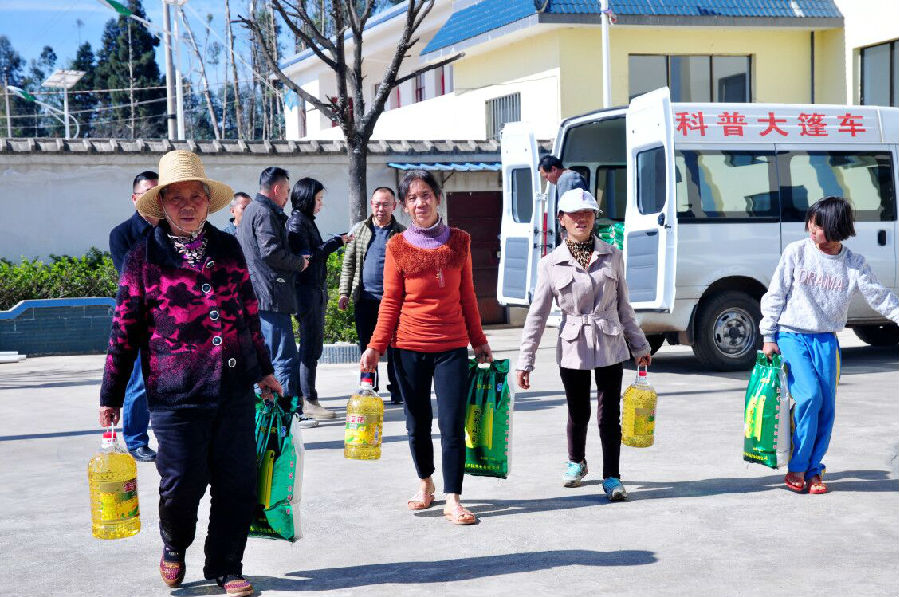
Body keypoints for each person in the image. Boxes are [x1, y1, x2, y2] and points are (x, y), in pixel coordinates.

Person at [99, 150, 279, 596]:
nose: (187, 205)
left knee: (237, 483)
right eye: (176, 198)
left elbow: (248, 315)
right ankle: (174, 546)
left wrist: (264, 370)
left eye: (195, 197)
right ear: (162, 204)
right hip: (176, 392)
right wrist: (111, 395)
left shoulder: (228, 249)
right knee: (181, 485)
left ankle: (226, 565)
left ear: (206, 202)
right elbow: (124, 329)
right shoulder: (143, 257)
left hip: (233, 387)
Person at [361, 170, 493, 526]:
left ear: (437, 198)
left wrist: (479, 340)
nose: (420, 203)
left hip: (452, 346)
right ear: (404, 207)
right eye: (412, 198)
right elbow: (390, 301)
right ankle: (425, 482)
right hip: (408, 347)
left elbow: (468, 296)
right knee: (417, 422)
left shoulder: (460, 242)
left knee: (452, 423)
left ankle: (453, 498)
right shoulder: (397, 246)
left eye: (426, 195)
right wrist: (375, 346)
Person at [516, 188, 651, 502]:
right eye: (574, 214)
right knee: (578, 412)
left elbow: (624, 306)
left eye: (587, 213)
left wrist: (640, 346)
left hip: (610, 342)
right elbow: (537, 314)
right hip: (572, 344)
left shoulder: (612, 255)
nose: (581, 219)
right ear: (562, 219)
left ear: (594, 218)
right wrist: (526, 360)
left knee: (609, 415)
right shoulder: (551, 263)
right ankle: (576, 461)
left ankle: (612, 477)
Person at [760, 196, 899, 495]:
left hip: (826, 340)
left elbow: (880, 297)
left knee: (826, 407)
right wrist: (768, 335)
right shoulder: (796, 252)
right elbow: (776, 293)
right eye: (811, 222)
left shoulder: (854, 264)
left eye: (819, 225)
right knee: (809, 396)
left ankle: (814, 470)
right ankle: (797, 467)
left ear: (837, 228)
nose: (812, 229)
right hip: (791, 335)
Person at [238, 167, 317, 429]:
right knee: (283, 358)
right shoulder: (264, 212)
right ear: (276, 189)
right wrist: (299, 263)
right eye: (286, 191)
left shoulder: (251, 210)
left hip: (259, 295)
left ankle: (270, 414)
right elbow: (271, 251)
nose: (287, 197)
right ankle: (288, 415)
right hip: (270, 295)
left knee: (267, 359)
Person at [287, 177, 351, 419]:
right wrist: (336, 242)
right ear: (307, 199)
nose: (321, 204)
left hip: (313, 289)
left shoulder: (305, 221)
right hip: (306, 291)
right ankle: (308, 400)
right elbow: (309, 258)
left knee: (313, 347)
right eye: (319, 199)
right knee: (310, 347)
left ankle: (307, 398)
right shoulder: (297, 223)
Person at [107, 170, 159, 463]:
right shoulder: (122, 234)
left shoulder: (173, 229)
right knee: (139, 382)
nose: (154, 198)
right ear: (134, 198)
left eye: (159, 192)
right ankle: (137, 440)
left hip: (175, 318)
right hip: (141, 319)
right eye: (147, 193)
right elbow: (131, 278)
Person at [338, 186, 406, 403]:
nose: (381, 208)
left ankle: (398, 391)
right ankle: (369, 388)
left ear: (394, 206)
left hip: (393, 302)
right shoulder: (360, 230)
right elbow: (348, 264)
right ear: (371, 205)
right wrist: (344, 293)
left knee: (396, 348)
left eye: (386, 204)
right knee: (366, 347)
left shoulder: (402, 233)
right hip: (365, 300)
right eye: (377, 204)